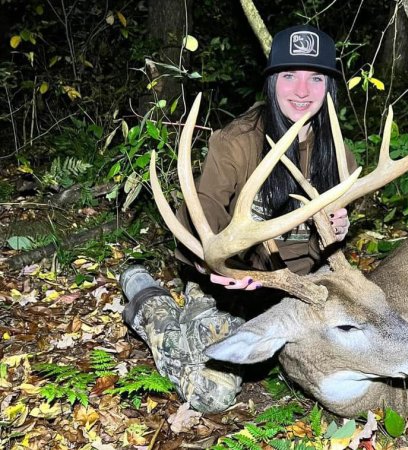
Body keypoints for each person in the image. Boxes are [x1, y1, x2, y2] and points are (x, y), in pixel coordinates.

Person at [120, 24, 357, 413]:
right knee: (211, 394)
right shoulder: (236, 141)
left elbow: (324, 247)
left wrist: (336, 231)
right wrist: (219, 261)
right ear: (271, 82)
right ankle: (150, 301)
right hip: (230, 288)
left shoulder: (339, 157)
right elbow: (203, 210)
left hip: (300, 290)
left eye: (316, 78)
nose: (302, 91)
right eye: (289, 77)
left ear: (330, 86)